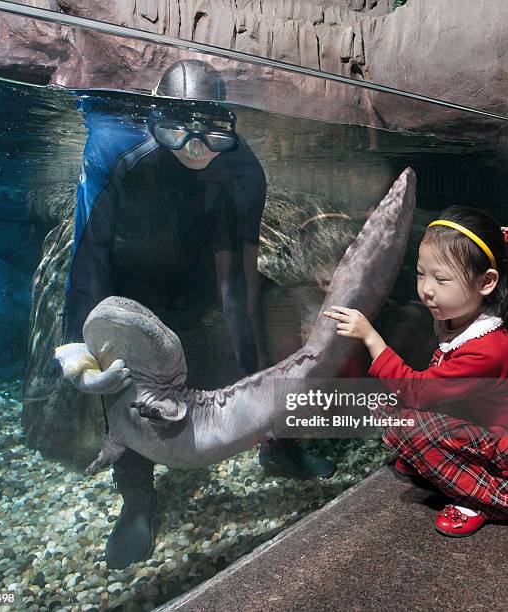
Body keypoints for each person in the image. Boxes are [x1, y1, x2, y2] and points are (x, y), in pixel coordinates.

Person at [54, 59, 335, 569]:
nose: (195, 146)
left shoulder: (243, 170)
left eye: (210, 132)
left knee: (256, 340)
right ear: (152, 121)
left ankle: (278, 445)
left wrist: (251, 366)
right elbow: (89, 250)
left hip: (201, 280)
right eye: (176, 129)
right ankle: (137, 498)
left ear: (229, 123)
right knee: (127, 384)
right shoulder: (115, 148)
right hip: (129, 280)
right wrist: (76, 346)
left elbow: (239, 278)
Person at [324, 205, 508, 537]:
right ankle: (444, 464)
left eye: (441, 279)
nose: (426, 288)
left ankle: (478, 500)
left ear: (486, 282)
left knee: (401, 419)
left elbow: (417, 391)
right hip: (488, 435)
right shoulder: (462, 321)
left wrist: (371, 338)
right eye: (421, 273)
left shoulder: (487, 347)